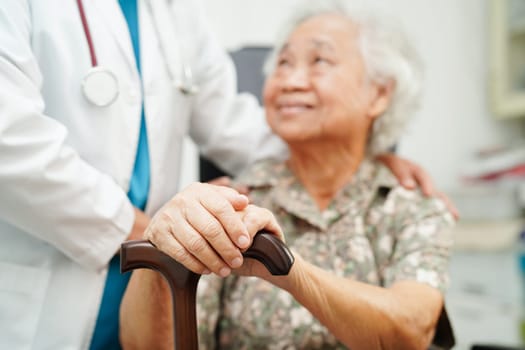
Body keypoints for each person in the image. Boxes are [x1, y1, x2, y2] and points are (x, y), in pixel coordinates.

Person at [0, 0, 452, 349]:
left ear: (379, 94)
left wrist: (372, 154)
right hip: (44, 280)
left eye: (319, 62)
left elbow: (235, 124)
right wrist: (160, 234)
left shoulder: (409, 203)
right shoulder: (236, 207)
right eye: (283, 64)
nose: (290, 80)